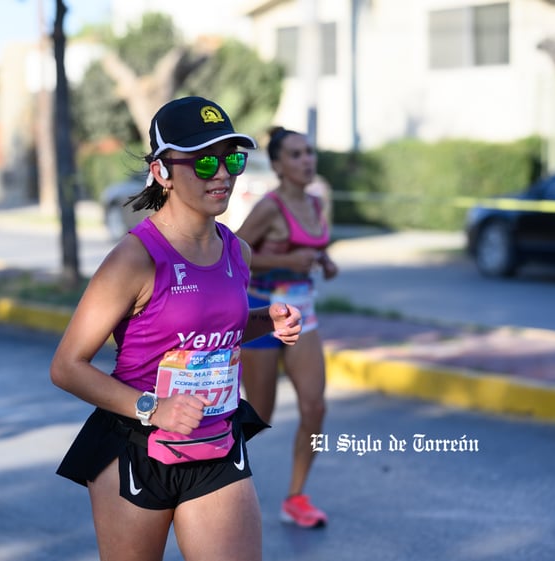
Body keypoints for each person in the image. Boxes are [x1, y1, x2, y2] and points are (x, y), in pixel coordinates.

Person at [50, 96, 303, 561]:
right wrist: (153, 408)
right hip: (137, 445)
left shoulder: (237, 252)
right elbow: (67, 366)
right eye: (205, 160)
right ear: (162, 171)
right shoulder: (134, 258)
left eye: (233, 158)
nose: (223, 173)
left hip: (216, 439)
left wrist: (264, 321)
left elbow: (208, 334)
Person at [236, 126, 339, 529]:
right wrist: (287, 263)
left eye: (309, 152)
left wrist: (322, 262)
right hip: (262, 313)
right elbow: (237, 254)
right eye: (295, 155)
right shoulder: (269, 207)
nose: (306, 160)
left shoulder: (315, 203)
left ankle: (296, 497)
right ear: (278, 165)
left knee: (315, 407)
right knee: (258, 415)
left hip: (304, 312)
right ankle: (210, 482)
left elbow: (311, 247)